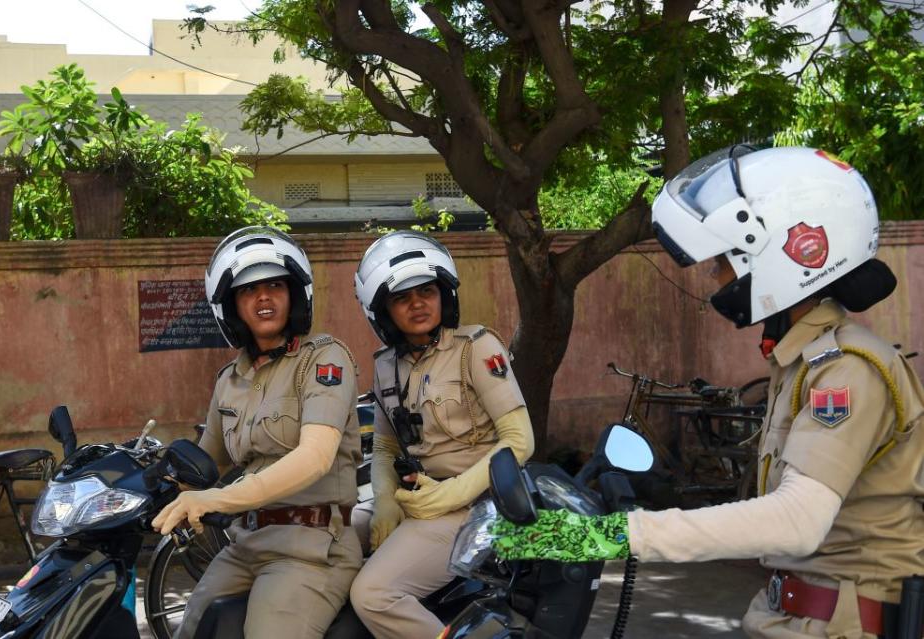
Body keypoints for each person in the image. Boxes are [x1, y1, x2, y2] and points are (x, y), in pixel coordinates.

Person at [490, 147, 924, 638]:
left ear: (784, 255)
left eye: (723, 259)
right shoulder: (800, 364)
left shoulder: (846, 371)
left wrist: (618, 535)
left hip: (842, 624)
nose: (713, 275)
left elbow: (798, 520)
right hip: (794, 613)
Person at [152, 226, 363, 639]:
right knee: (193, 630)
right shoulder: (231, 380)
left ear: (294, 295)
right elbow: (204, 464)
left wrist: (217, 498)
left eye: (274, 286)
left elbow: (315, 457)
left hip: (312, 548)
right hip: (246, 543)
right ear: (232, 307)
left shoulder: (323, 359)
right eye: (248, 291)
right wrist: (146, 484)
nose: (263, 297)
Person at [348, 231, 535, 638]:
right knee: (332, 538)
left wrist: (449, 496)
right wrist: (383, 502)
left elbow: (519, 441)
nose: (418, 304)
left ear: (444, 295)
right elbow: (384, 445)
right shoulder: (385, 367)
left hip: (477, 507)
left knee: (373, 593)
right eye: (402, 297)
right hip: (420, 498)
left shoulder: (476, 348)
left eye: (427, 291)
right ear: (383, 311)